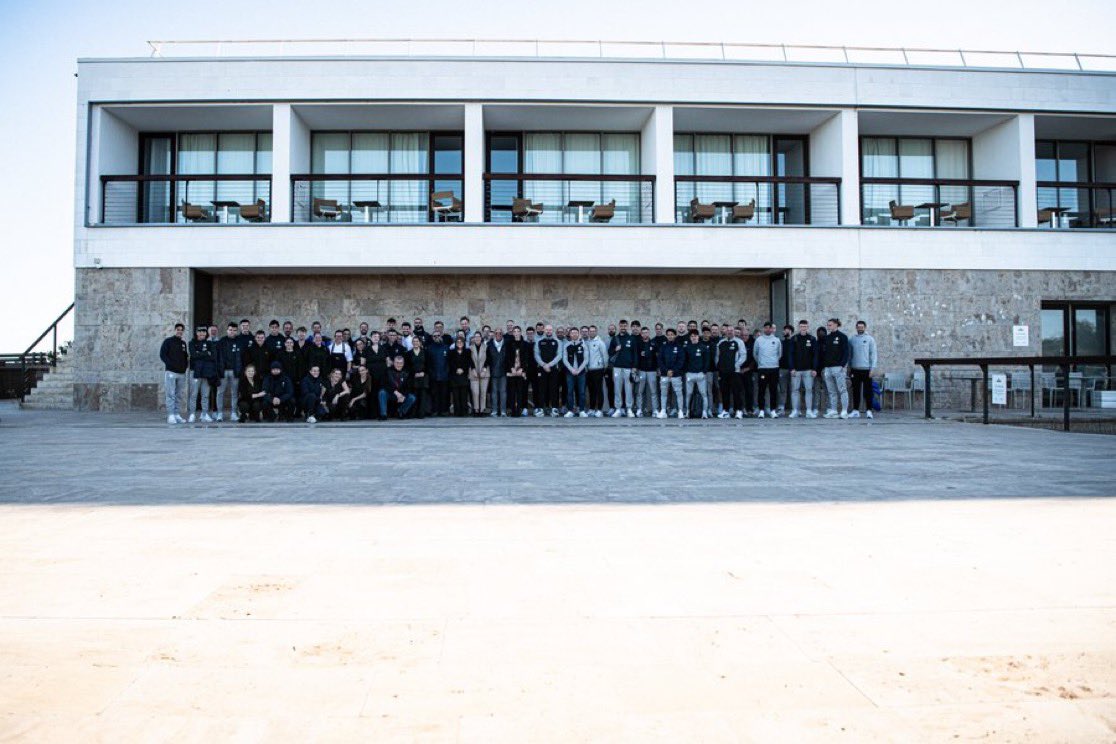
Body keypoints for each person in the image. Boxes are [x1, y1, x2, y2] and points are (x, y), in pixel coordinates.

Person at [787, 319, 819, 419]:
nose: (803, 328)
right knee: (795, 390)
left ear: (807, 327)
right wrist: (791, 368)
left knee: (809, 390)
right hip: (796, 370)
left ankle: (809, 411)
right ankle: (795, 410)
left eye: (805, 326)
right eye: (801, 326)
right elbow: (790, 355)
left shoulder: (812, 339)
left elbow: (815, 355)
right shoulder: (794, 339)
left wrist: (814, 369)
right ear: (799, 327)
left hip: (808, 370)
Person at [216, 322, 247, 422]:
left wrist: (241, 370)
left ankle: (234, 413)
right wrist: (218, 370)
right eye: (230, 330)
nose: (232, 332)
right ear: (227, 330)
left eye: (234, 330)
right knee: (220, 393)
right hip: (223, 371)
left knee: (235, 393)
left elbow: (242, 357)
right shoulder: (221, 341)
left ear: (237, 331)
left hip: (235, 372)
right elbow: (217, 357)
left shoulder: (240, 342)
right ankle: (219, 413)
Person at [186, 326, 218, 423]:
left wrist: (200, 353)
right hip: (195, 372)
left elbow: (213, 356)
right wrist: (205, 353)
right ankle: (192, 414)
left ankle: (204, 414)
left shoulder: (209, 343)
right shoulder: (191, 343)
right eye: (200, 332)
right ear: (196, 333)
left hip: (206, 372)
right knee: (194, 394)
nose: (202, 334)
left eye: (204, 332)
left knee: (205, 395)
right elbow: (193, 355)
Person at [821, 318, 851, 419]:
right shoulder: (827, 338)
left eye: (830, 325)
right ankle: (833, 410)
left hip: (838, 367)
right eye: (828, 325)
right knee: (831, 391)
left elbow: (846, 352)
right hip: (828, 368)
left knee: (842, 389)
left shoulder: (842, 337)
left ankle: (844, 411)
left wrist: (842, 365)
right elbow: (824, 353)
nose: (828, 327)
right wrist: (824, 367)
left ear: (836, 325)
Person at [160, 323, 189, 424]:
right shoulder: (168, 341)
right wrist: (170, 365)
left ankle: (177, 414)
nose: (179, 331)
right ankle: (171, 415)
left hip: (181, 373)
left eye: (181, 330)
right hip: (171, 372)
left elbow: (185, 356)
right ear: (174, 330)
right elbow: (162, 355)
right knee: (170, 394)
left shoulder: (183, 343)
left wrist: (185, 367)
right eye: (178, 329)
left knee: (179, 395)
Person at [849, 320, 879, 419]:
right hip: (855, 369)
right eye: (858, 327)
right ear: (856, 328)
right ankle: (855, 410)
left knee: (868, 391)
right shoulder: (852, 339)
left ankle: (869, 411)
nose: (860, 329)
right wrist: (849, 368)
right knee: (856, 391)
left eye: (862, 327)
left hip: (866, 370)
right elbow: (850, 355)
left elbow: (873, 354)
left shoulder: (870, 339)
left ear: (865, 328)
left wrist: (873, 368)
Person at [753, 322, 782, 418]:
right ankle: (761, 410)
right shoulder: (759, 340)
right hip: (762, 369)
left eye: (770, 328)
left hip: (774, 369)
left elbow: (779, 354)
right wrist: (761, 362)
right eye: (766, 328)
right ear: (763, 329)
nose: (768, 329)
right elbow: (755, 354)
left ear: (772, 329)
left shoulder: (776, 340)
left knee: (773, 390)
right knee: (761, 390)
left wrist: (773, 362)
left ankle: (773, 410)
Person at [716, 327, 746, 419]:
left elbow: (743, 355)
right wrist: (719, 366)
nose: (729, 332)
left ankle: (738, 411)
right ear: (725, 332)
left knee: (736, 392)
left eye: (731, 331)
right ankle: (725, 411)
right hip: (723, 372)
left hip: (735, 372)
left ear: (734, 332)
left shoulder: (739, 342)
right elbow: (717, 356)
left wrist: (736, 365)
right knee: (725, 392)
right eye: (728, 331)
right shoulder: (721, 342)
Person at [656, 328, 685, 419]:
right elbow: (660, 360)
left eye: (672, 334)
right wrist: (666, 370)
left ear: (675, 335)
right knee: (663, 393)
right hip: (665, 374)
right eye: (668, 334)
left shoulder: (679, 347)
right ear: (667, 336)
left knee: (678, 393)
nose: (670, 336)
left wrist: (673, 370)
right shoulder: (663, 347)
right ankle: (663, 410)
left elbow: (681, 361)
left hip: (676, 374)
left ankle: (680, 411)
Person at [682, 329, 710, 419]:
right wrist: (686, 372)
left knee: (703, 394)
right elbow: (684, 361)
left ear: (698, 336)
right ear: (690, 338)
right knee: (688, 394)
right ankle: (687, 412)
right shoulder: (687, 348)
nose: (694, 338)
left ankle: (704, 412)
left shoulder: (703, 347)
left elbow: (707, 361)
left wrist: (704, 372)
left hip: (700, 374)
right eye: (692, 336)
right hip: (690, 374)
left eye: (695, 336)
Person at [534, 325, 561, 416]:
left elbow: (559, 355)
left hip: (553, 369)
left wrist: (549, 365)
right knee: (542, 389)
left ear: (552, 331)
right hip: (542, 369)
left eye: (550, 330)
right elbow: (536, 354)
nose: (548, 331)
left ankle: (554, 408)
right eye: (547, 330)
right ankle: (541, 408)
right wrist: (543, 365)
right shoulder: (539, 342)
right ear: (544, 331)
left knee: (554, 388)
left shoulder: (557, 341)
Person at [562, 327, 588, 417]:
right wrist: (572, 369)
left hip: (581, 372)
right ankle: (570, 410)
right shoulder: (567, 346)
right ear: (570, 334)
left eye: (576, 333)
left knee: (581, 392)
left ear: (578, 334)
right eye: (572, 333)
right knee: (570, 391)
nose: (574, 334)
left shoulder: (583, 345)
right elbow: (564, 359)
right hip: (570, 372)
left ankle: (581, 410)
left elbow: (586, 359)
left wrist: (579, 370)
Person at [584, 325, 609, 417]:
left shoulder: (600, 342)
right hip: (589, 370)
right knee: (591, 390)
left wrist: (604, 368)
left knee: (599, 390)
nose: (592, 332)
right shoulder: (587, 342)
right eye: (590, 331)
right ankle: (591, 408)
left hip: (598, 369)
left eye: (593, 331)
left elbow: (605, 356)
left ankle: (599, 410)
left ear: (596, 332)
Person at [634, 326, 659, 418]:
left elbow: (657, 357)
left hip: (652, 370)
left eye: (647, 332)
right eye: (643, 333)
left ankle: (655, 410)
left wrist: (658, 369)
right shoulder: (638, 344)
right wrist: (635, 368)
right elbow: (636, 356)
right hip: (641, 370)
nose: (645, 334)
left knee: (653, 391)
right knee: (640, 391)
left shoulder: (653, 343)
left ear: (649, 333)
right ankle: (639, 409)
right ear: (641, 334)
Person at [506, 327, 529, 417]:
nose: (516, 333)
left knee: (520, 392)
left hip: (520, 371)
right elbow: (507, 357)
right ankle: (512, 410)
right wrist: (511, 368)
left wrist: (522, 369)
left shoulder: (525, 344)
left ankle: (519, 410)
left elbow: (526, 358)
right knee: (512, 392)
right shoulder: (509, 343)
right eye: (514, 331)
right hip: (511, 371)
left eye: (518, 331)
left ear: (520, 332)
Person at [447, 337, 471, 417]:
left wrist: (463, 369)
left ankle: (464, 412)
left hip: (464, 375)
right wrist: (456, 369)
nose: (459, 343)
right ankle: (457, 412)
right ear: (455, 343)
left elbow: (469, 362)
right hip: (454, 375)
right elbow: (450, 363)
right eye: (458, 342)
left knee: (464, 395)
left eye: (461, 342)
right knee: (456, 395)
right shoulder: (451, 352)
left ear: (464, 343)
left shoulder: (467, 352)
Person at [487, 329, 508, 417]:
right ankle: (494, 410)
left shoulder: (506, 344)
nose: (498, 334)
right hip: (493, 372)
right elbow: (488, 359)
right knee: (494, 392)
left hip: (503, 371)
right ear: (494, 334)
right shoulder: (489, 345)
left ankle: (503, 411)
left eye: (500, 333)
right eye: (496, 333)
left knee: (503, 391)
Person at [468, 332, 490, 416]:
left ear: (481, 338)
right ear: (473, 338)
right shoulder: (470, 348)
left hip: (484, 372)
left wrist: (484, 370)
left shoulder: (486, 347)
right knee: (475, 392)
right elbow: (469, 360)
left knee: (483, 392)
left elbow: (488, 359)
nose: (477, 338)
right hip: (473, 373)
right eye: (475, 337)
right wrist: (473, 369)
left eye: (479, 337)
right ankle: (476, 409)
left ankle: (482, 409)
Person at [406, 336, 428, 418]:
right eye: (414, 341)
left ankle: (421, 413)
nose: (415, 342)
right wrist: (413, 373)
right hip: (413, 377)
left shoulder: (425, 352)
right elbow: (407, 366)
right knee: (414, 395)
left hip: (423, 377)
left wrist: (424, 372)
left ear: (420, 342)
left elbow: (428, 364)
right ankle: (413, 413)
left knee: (422, 396)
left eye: (417, 341)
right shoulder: (408, 353)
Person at [778, 324, 794, 415]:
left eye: (786, 330)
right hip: (782, 369)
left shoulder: (795, 342)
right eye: (784, 330)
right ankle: (781, 408)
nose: (784, 332)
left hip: (793, 369)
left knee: (794, 389)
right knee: (782, 389)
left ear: (791, 331)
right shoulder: (781, 342)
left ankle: (795, 409)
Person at [814, 326, 829, 415]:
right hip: (816, 370)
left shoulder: (828, 343)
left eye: (823, 332)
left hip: (826, 370)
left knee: (828, 390)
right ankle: (815, 408)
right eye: (819, 333)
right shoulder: (815, 343)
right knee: (816, 390)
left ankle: (828, 408)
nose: (821, 334)